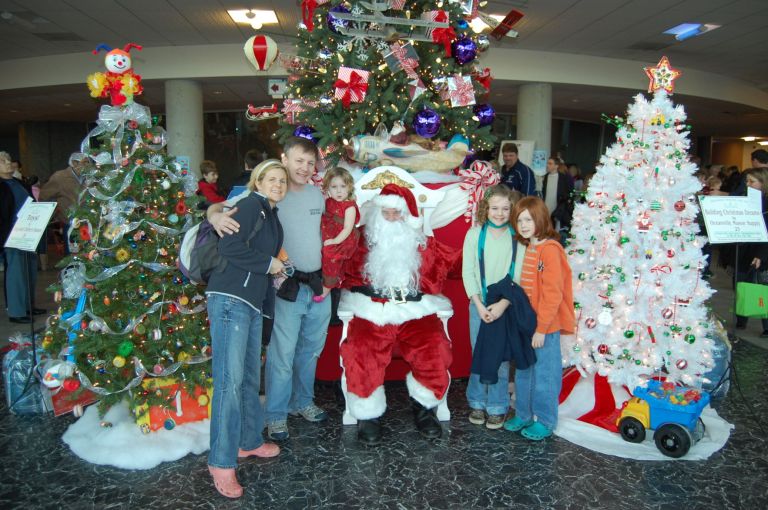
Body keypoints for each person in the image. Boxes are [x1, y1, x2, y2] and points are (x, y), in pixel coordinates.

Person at [208, 137, 330, 442]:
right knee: (281, 354)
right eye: (298, 161)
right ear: (284, 159)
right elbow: (219, 208)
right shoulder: (267, 192)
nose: (304, 168)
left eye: (310, 162)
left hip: (319, 286)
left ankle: (302, 402)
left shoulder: (318, 195)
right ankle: (275, 415)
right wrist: (213, 215)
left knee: (311, 351)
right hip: (285, 287)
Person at [339, 184, 461, 445]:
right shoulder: (360, 242)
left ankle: (425, 409)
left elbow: (455, 263)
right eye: (387, 212)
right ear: (377, 213)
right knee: (361, 347)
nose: (392, 218)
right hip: (372, 310)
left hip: (414, 311)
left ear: (409, 216)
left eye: (398, 213)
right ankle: (368, 414)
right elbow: (337, 266)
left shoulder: (423, 244)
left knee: (434, 346)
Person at [205, 160, 287, 498]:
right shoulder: (252, 204)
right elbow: (229, 246)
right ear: (258, 181)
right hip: (230, 300)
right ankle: (221, 463)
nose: (278, 184)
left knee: (250, 378)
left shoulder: (270, 213)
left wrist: (277, 269)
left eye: (282, 180)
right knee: (229, 381)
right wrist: (270, 265)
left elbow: (258, 254)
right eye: (272, 179)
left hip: (250, 303)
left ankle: (249, 441)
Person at [504, 196, 575, 440]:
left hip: (545, 326)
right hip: (527, 325)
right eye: (520, 220)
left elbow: (553, 295)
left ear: (540, 219)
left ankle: (545, 419)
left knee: (545, 374)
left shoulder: (551, 250)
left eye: (529, 219)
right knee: (524, 371)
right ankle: (523, 414)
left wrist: (542, 328)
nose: (524, 225)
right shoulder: (530, 247)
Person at [462, 184, 523, 429]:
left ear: (512, 210)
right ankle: (476, 400)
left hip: (506, 306)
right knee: (480, 354)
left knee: (500, 357)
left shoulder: (518, 237)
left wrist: (503, 305)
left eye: (505, 209)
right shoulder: (475, 234)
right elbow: (468, 272)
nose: (499, 213)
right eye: (494, 208)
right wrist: (478, 304)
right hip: (480, 304)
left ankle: (498, 405)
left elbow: (518, 275)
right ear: (486, 209)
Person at [0, 151, 45, 324]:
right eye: (3, 161)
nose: (8, 163)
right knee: (16, 272)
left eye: (9, 160)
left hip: (29, 231)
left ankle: (28, 306)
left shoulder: (19, 183)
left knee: (30, 270)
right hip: (11, 234)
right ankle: (17, 311)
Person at [315, 167, 360, 302]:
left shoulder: (349, 206)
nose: (339, 191)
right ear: (328, 188)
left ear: (349, 187)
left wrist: (335, 241)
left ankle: (327, 286)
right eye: (334, 187)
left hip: (343, 239)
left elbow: (347, 228)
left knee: (330, 254)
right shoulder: (328, 202)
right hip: (328, 234)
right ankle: (325, 278)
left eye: (343, 186)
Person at [734, 167, 768, 337]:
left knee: (763, 287)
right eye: (746, 181)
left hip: (763, 252)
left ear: (763, 183)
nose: (748, 184)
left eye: (752, 181)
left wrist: (761, 255)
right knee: (742, 284)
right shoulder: (744, 199)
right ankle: (741, 320)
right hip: (745, 249)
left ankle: (766, 325)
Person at [541, 157, 574, 238]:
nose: (547, 165)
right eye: (547, 163)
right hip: (546, 207)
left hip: (558, 208)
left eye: (550, 163)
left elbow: (569, 191)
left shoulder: (563, 178)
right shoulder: (545, 177)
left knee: (556, 230)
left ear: (556, 166)